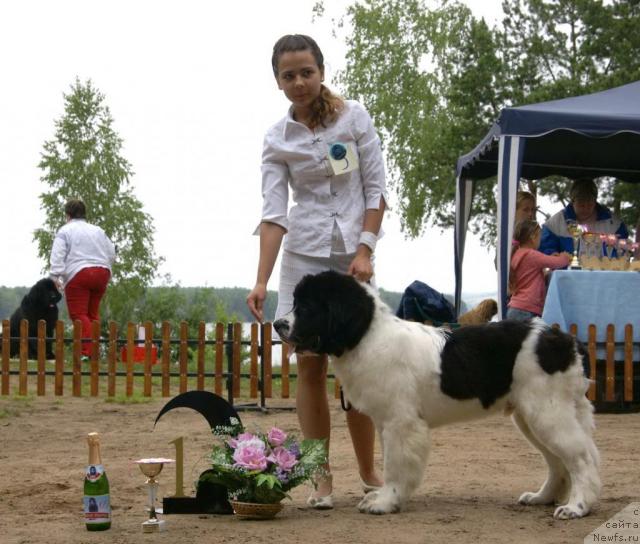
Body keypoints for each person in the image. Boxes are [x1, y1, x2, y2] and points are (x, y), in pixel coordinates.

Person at [246, 34, 385, 509]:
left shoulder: (354, 117)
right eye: (289, 75)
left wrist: (365, 249)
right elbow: (273, 214)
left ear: (321, 70)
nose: (299, 81)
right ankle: (320, 476)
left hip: (352, 254)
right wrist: (262, 279)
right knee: (309, 364)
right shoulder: (276, 138)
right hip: (303, 255)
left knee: (359, 365)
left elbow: (375, 189)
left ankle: (369, 469)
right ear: (278, 81)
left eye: (306, 71)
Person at [49, 199, 116, 360]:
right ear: (84, 213)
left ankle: (87, 353)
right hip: (102, 272)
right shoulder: (98, 230)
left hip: (79, 273)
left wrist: (54, 276)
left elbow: (57, 254)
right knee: (92, 314)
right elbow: (112, 252)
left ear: (68, 215)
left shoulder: (65, 231)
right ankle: (94, 351)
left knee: (79, 315)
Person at [539, 178, 628, 255]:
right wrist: (552, 255)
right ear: (572, 201)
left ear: (595, 201)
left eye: (590, 205)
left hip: (605, 273)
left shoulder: (613, 224)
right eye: (581, 205)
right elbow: (546, 249)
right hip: (567, 274)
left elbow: (623, 250)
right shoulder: (555, 224)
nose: (586, 209)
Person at [507, 220, 571, 321]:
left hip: (516, 307)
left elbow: (530, 275)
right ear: (533, 237)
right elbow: (557, 262)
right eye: (539, 237)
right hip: (526, 309)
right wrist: (565, 257)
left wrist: (548, 261)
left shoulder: (518, 254)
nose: (540, 241)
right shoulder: (531, 254)